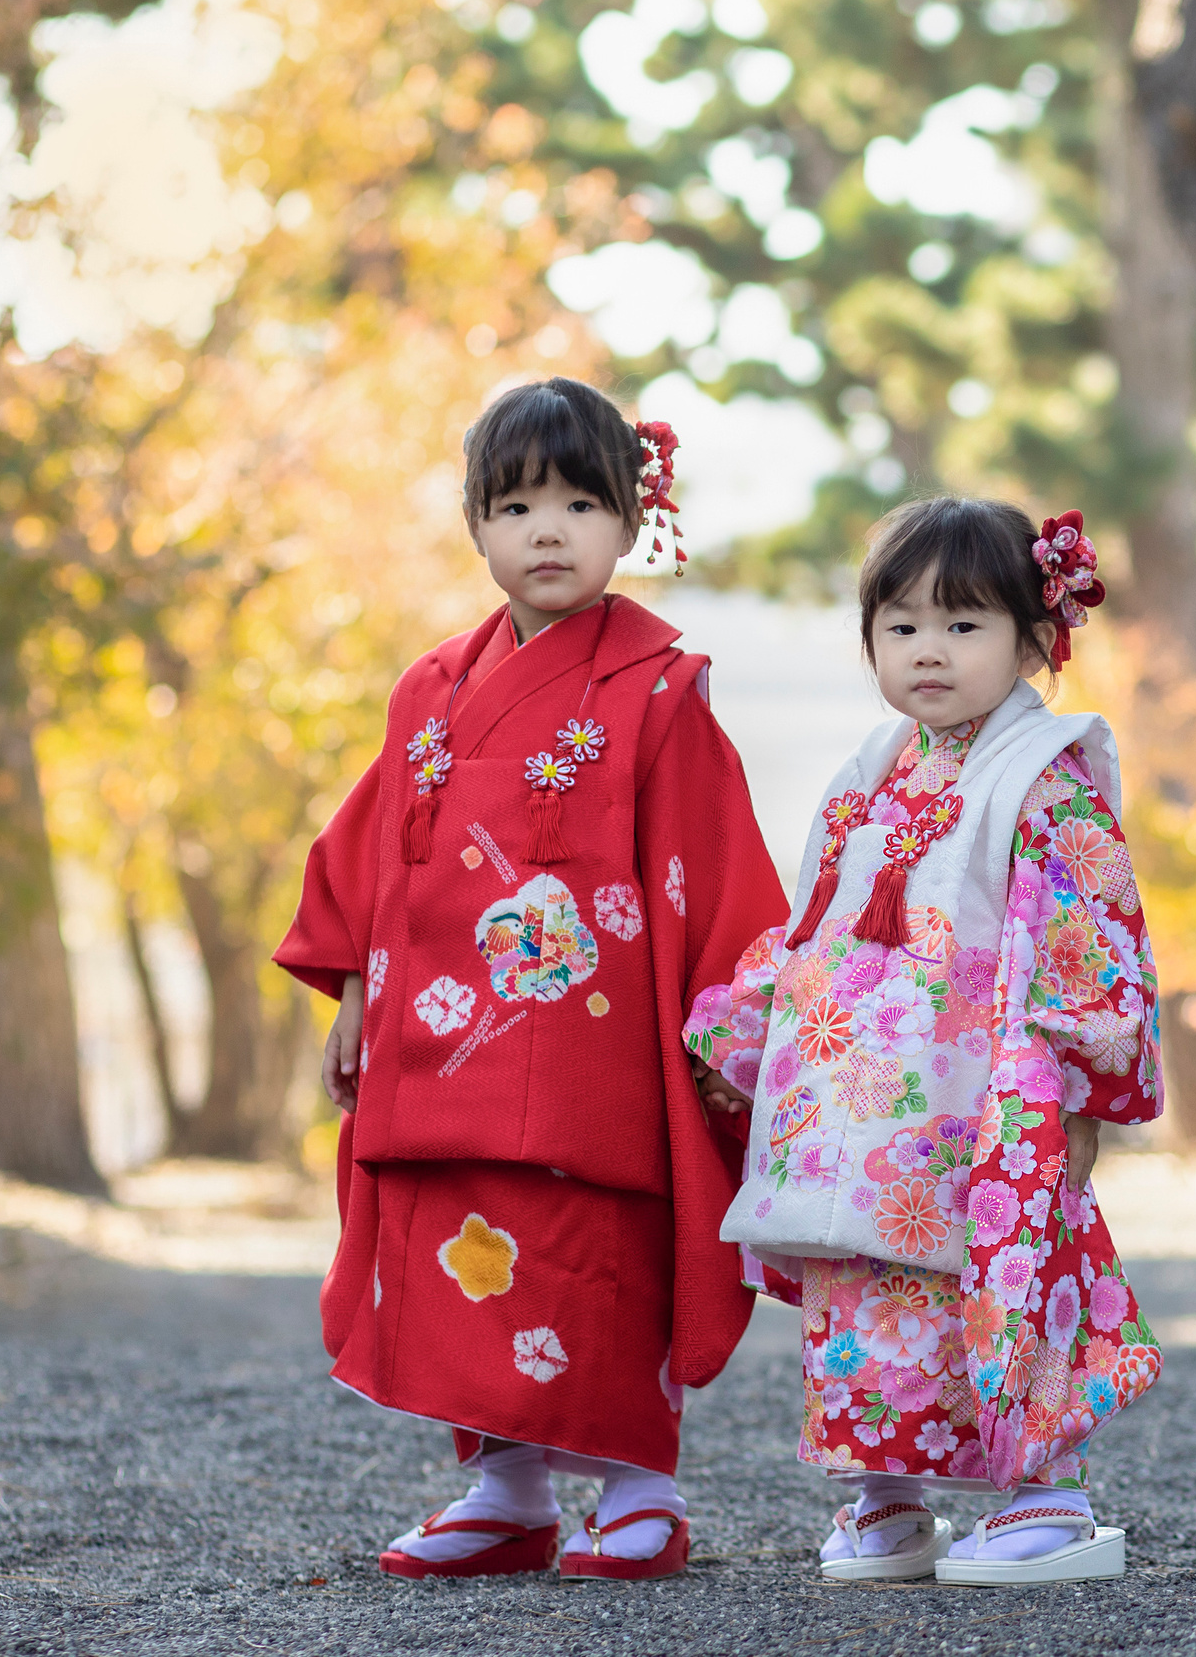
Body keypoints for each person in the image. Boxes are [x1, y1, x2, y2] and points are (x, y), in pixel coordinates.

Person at [274, 377, 786, 1581]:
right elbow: (371, 855)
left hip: (595, 1053)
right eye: (513, 505)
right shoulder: (429, 691)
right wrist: (354, 989)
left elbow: (712, 865)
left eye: (576, 501)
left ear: (630, 519)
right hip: (443, 1036)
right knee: (464, 1253)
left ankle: (638, 1485)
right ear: (477, 526)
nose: (545, 530)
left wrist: (732, 1023)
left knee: (594, 1249)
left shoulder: (660, 690)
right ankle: (504, 1487)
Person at [685, 497, 1165, 1587]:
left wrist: (1079, 1087)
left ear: (1034, 636)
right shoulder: (871, 766)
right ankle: (887, 1495)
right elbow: (815, 916)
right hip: (855, 1091)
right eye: (900, 626)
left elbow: (1089, 931)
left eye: (963, 623)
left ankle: (1046, 1493)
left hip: (986, 1083)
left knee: (998, 1269)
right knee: (865, 1277)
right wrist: (750, 1029)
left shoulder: (1046, 771)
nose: (928, 650)